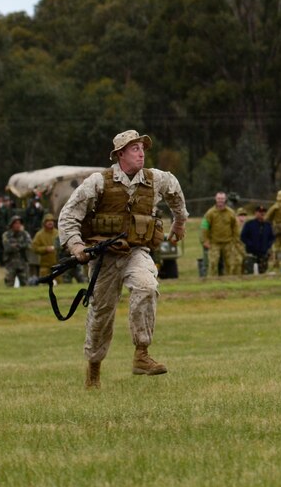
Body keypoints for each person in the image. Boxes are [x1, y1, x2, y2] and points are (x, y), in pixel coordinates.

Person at [57, 130, 188, 388]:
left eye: (142, 148)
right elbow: (68, 216)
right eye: (134, 148)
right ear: (120, 155)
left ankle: (141, 354)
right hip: (104, 257)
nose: (141, 152)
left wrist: (180, 221)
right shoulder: (98, 182)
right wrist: (76, 246)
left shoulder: (155, 179)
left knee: (147, 286)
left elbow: (174, 189)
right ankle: (93, 369)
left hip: (136, 252)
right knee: (101, 314)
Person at [202, 191, 241, 276]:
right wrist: (205, 240)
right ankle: (212, 281)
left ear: (225, 199)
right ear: (215, 199)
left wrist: (235, 240)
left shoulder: (231, 213)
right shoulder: (210, 213)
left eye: (222, 199)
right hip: (214, 243)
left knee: (230, 264)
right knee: (213, 263)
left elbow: (235, 227)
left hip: (228, 242)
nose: (220, 200)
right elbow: (205, 227)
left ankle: (229, 280)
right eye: (219, 198)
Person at [240, 205, 275, 274]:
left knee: (262, 272)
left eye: (263, 212)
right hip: (252, 254)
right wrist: (250, 244)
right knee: (250, 272)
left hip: (263, 254)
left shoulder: (268, 225)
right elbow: (243, 236)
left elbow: (272, 237)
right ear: (255, 213)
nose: (262, 214)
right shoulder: (249, 224)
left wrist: (268, 245)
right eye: (260, 212)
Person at [1, 215, 32, 287]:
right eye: (15, 223)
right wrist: (21, 245)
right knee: (9, 284)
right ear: (11, 224)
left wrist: (17, 245)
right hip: (10, 263)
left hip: (23, 263)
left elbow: (29, 245)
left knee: (25, 284)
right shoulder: (6, 235)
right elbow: (7, 247)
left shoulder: (25, 234)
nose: (18, 225)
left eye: (19, 223)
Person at [30, 212, 60, 283]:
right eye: (48, 221)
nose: (50, 223)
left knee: (60, 285)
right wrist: (45, 249)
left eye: (52, 221)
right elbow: (34, 248)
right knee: (44, 284)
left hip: (58, 265)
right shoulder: (39, 235)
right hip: (44, 266)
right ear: (44, 223)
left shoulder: (58, 233)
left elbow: (63, 245)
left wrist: (57, 248)